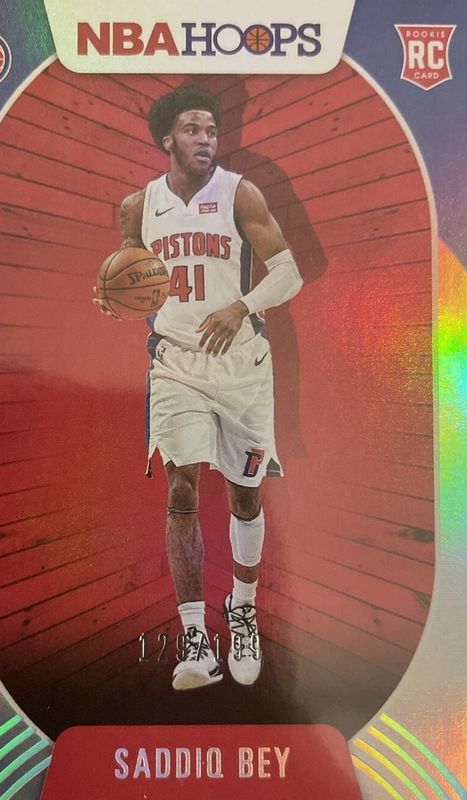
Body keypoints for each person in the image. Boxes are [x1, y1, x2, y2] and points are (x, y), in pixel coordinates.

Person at [94, 85, 302, 691]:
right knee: (181, 487)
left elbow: (288, 272)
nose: (205, 139)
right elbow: (131, 277)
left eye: (211, 130)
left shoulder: (241, 193)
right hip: (177, 364)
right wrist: (112, 298)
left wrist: (241, 306)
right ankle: (194, 641)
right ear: (168, 138)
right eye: (192, 129)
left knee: (245, 496)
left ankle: (242, 609)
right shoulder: (138, 206)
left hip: (240, 365)